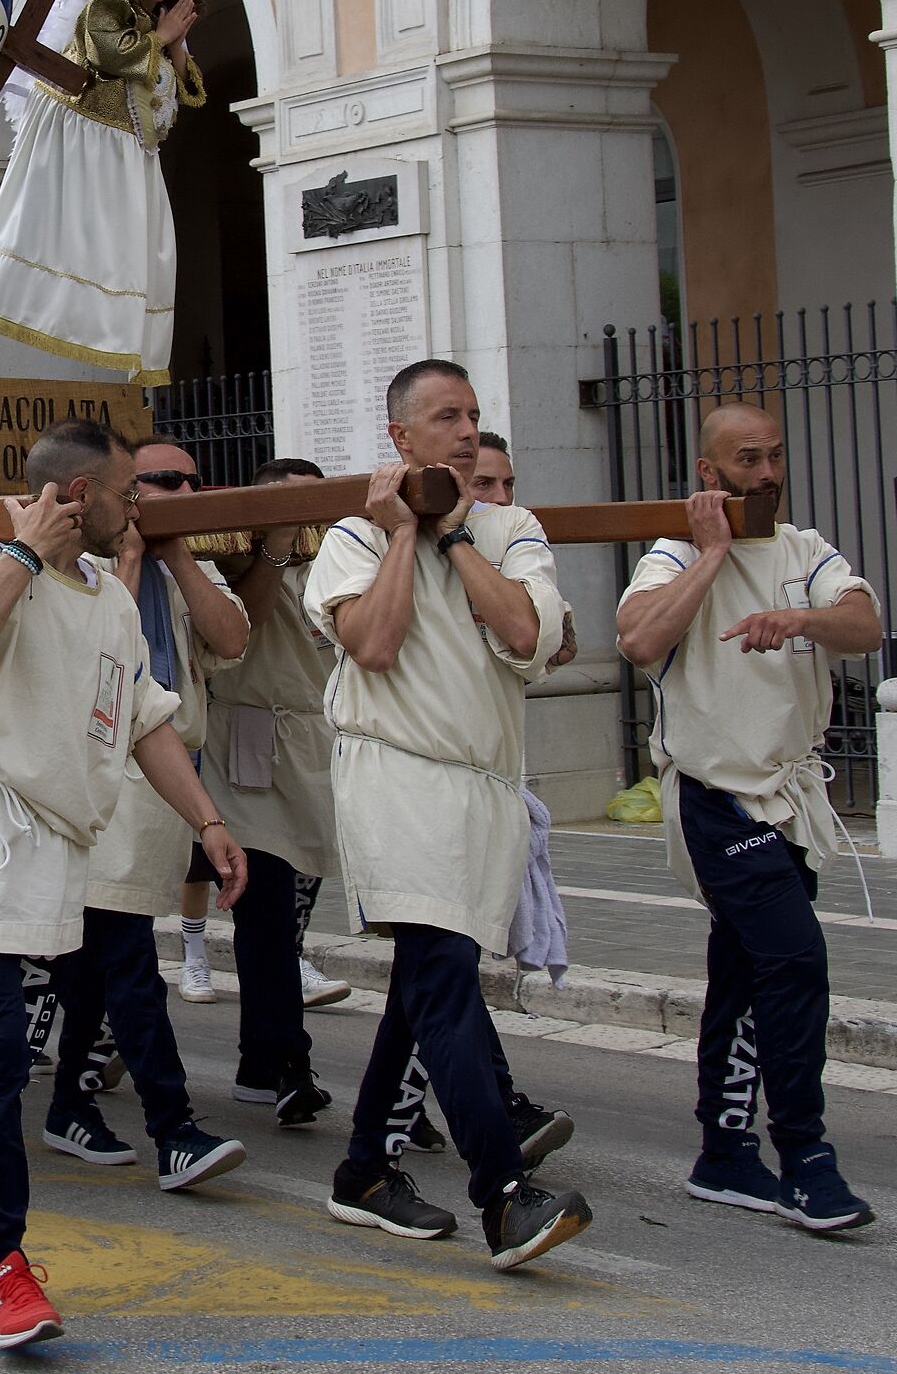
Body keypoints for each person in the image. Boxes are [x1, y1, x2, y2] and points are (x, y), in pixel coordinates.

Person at [0, 420, 246, 1351]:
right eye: (130, 494)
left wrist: (208, 820)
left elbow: (145, 721)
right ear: (80, 496)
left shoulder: (111, 601)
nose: (140, 512)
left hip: (53, 846)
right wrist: (21, 552)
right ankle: (1, 1267)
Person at [306, 360, 592, 1271]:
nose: (467, 432)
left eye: (474, 415)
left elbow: (525, 633)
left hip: (485, 789)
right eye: (445, 417)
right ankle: (504, 1193)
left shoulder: (512, 528)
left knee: (432, 983)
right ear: (402, 438)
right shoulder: (352, 536)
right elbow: (375, 644)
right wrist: (402, 536)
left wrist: (457, 535)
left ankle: (361, 1173)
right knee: (440, 975)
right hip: (397, 776)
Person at [616, 405, 881, 1234]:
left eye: (774, 457)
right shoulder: (673, 552)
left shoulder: (807, 549)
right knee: (795, 959)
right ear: (709, 474)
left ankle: (725, 1154)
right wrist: (715, 554)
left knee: (744, 968)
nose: (766, 474)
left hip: (790, 799)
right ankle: (805, 1159)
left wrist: (799, 618)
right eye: (746, 461)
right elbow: (637, 640)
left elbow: (866, 625)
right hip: (716, 799)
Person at [43, 444, 251, 1191]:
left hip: (168, 768)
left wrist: (179, 556)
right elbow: (110, 662)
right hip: (107, 771)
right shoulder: (91, 572)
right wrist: (133, 556)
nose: (169, 496)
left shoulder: (190, 561)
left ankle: (70, 1102)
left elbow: (231, 641)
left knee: (106, 959)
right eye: (154, 485)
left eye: (190, 482)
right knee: (127, 959)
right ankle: (174, 1130)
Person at [0, 0, 210, 384]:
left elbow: (190, 91)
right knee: (39, 227)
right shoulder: (109, 3)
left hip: (126, 151)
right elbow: (111, 53)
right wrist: (165, 37)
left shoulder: (161, 23)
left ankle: (128, 347)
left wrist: (174, 43)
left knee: (134, 252)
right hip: (76, 135)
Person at [183, 454, 344, 1109]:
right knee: (267, 911)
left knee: (290, 920)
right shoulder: (230, 565)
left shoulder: (343, 560)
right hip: (247, 743)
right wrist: (273, 551)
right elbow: (238, 632)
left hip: (316, 748)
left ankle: (262, 1060)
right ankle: (286, 1064)